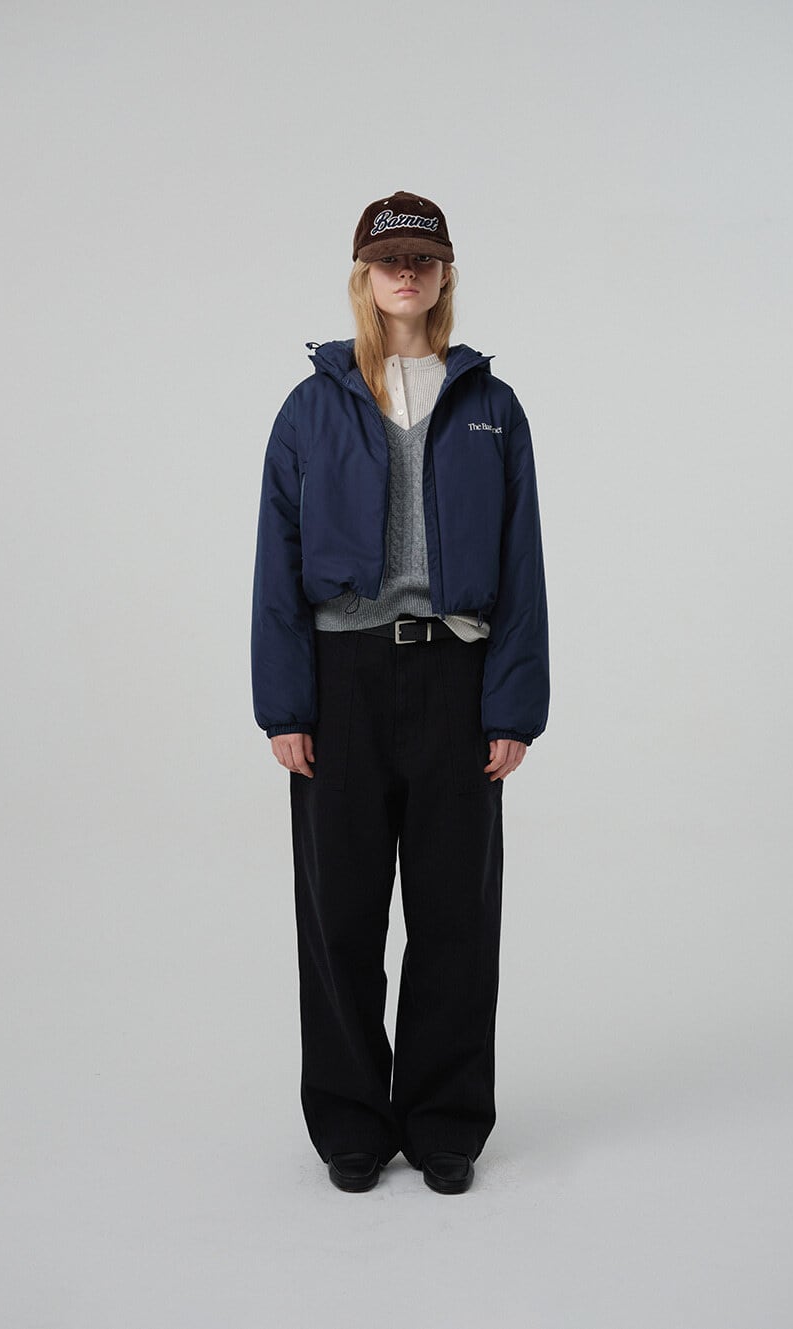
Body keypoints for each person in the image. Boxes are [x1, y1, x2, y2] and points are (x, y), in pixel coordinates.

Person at [250, 189, 550, 1195]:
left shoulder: (492, 407)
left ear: (445, 273)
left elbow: (523, 563)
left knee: (454, 912)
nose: (407, 274)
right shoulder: (312, 406)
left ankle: (444, 1118)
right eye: (391, 261)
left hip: (457, 678)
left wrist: (512, 707)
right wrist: (286, 706)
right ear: (365, 275)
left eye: (424, 260)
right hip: (342, 681)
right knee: (339, 912)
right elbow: (275, 560)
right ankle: (350, 1120)